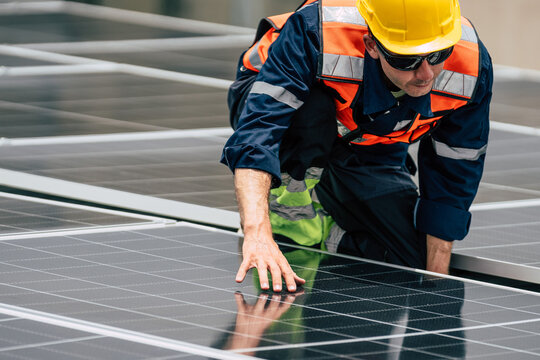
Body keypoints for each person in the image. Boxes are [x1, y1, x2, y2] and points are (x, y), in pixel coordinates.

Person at [221, 0, 493, 292]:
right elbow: (259, 132)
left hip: (370, 137)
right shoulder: (317, 32)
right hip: (286, 113)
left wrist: (436, 284)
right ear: (372, 45)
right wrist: (256, 233)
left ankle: (327, 226)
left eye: (438, 54)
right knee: (311, 110)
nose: (426, 73)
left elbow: (456, 167)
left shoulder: (471, 65)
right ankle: (288, 216)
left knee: (409, 258)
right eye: (406, 60)